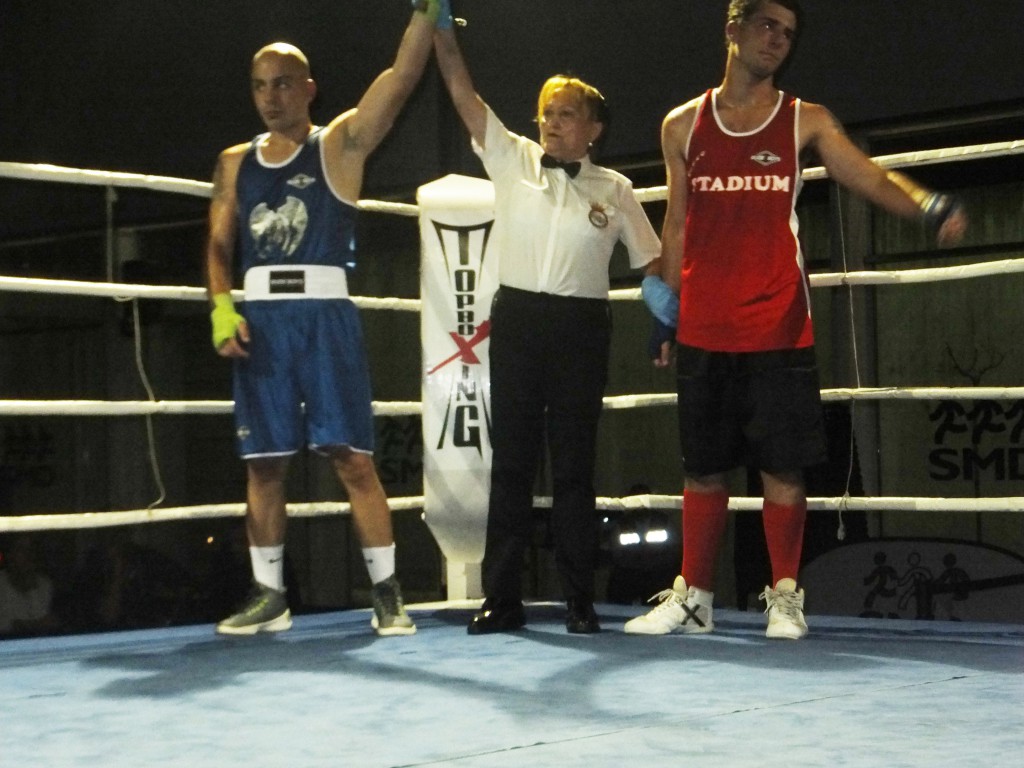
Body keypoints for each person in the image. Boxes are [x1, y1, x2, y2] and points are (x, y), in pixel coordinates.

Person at [625, 0, 967, 639]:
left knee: (782, 466)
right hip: (703, 322)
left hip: (777, 321)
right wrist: (665, 312)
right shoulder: (682, 125)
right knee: (702, 466)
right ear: (733, 30)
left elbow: (860, 172)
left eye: (787, 33)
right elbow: (676, 221)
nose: (778, 41)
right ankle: (693, 596)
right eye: (766, 26)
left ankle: (785, 595)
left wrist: (925, 203)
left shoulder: (803, 120)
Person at [206, 1, 447, 637]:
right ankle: (268, 596)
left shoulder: (338, 144)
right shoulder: (235, 162)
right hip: (261, 318)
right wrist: (222, 308)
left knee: (353, 458)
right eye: (259, 85)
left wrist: (426, 13)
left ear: (308, 87)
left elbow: (398, 78)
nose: (270, 96)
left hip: (325, 317)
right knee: (264, 462)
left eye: (282, 83)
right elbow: (217, 245)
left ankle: (387, 593)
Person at [433, 18, 662, 634]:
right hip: (519, 319)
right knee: (510, 462)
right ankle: (501, 598)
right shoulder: (513, 160)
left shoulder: (615, 188)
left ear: (593, 128)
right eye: (545, 112)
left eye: (564, 113)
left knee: (573, 467)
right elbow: (463, 94)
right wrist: (438, 30)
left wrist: (667, 321)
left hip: (582, 327)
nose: (551, 122)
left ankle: (579, 601)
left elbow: (654, 261)